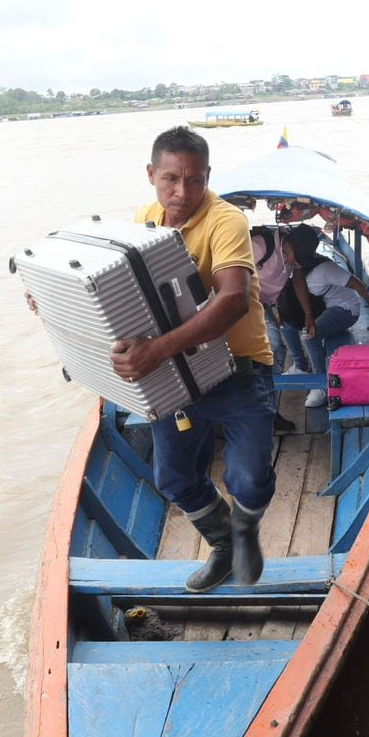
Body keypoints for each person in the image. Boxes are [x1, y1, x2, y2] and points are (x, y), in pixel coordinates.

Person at [115, 126, 277, 591]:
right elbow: (119, 293)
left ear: (208, 176)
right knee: (174, 477)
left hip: (236, 371)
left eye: (194, 180)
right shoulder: (143, 220)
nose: (182, 192)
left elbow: (233, 300)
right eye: (170, 179)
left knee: (249, 478)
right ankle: (226, 545)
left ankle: (244, 533)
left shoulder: (226, 221)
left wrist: (157, 349)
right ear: (151, 174)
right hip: (175, 377)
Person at [280, 224, 369, 408]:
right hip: (323, 306)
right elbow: (298, 284)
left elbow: (356, 283)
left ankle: (322, 386)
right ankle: (301, 366)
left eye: (287, 251)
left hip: (345, 310)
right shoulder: (299, 266)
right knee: (286, 325)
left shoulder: (325, 269)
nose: (284, 256)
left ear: (298, 250)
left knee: (310, 337)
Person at [249, 223, 298, 432]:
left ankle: (268, 410)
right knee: (271, 347)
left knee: (274, 353)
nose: (295, 263)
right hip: (245, 304)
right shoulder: (260, 245)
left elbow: (293, 281)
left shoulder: (292, 257)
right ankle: (260, 410)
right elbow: (233, 274)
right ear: (287, 246)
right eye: (295, 257)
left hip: (264, 304)